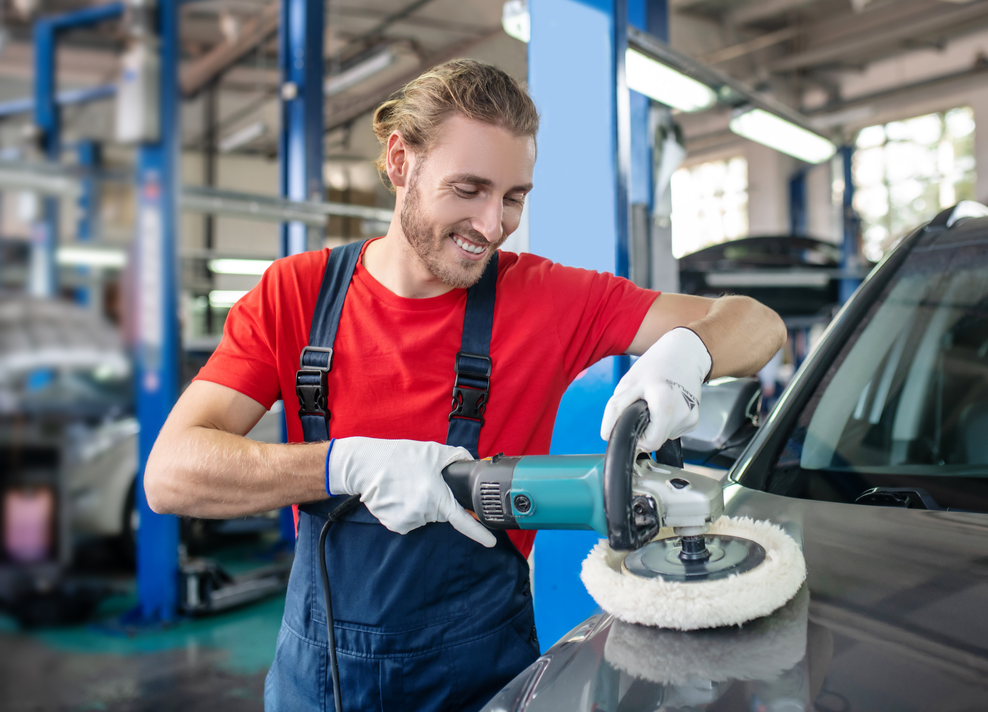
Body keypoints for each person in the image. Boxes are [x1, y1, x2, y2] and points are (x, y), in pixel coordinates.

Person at [144, 59, 785, 712]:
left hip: (480, 680)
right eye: (468, 189)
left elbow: (758, 324)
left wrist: (689, 353)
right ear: (400, 161)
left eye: (513, 197)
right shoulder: (296, 295)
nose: (492, 224)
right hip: (319, 682)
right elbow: (170, 475)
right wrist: (348, 464)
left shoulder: (546, 299)